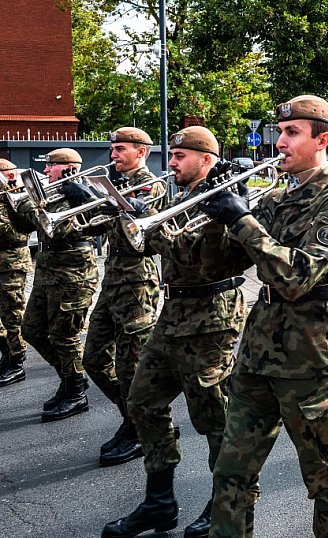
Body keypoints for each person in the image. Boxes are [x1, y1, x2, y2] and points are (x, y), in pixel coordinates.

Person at [196, 95, 328, 538]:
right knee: (230, 471)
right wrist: (219, 215)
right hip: (257, 354)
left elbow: (295, 278)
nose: (279, 142)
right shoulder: (274, 199)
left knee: (324, 479)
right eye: (279, 132)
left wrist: (243, 220)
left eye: (292, 133)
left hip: (311, 359)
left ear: (322, 140)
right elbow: (217, 268)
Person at [102, 126, 248, 538]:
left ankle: (222, 504)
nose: (170, 163)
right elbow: (140, 246)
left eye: (179, 156)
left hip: (212, 314)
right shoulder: (177, 194)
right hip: (174, 310)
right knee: (142, 402)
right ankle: (159, 502)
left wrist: (156, 232)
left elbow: (207, 262)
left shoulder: (224, 196)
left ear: (205, 159)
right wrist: (128, 215)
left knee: (213, 419)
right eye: (170, 155)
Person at [80, 127, 165, 467]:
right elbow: (92, 228)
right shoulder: (113, 185)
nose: (113, 155)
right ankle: (131, 418)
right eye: (113, 149)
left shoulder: (151, 185)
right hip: (112, 280)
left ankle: (142, 430)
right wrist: (83, 202)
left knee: (132, 367)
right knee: (94, 359)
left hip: (137, 282)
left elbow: (140, 239)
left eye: (120, 149)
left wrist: (128, 210)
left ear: (140, 152)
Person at [8, 148, 98, 422]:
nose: (46, 171)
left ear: (69, 167)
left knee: (64, 335)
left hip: (73, 272)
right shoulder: (51, 193)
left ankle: (75, 390)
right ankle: (70, 377)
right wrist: (16, 202)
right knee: (32, 329)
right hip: (47, 270)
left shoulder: (83, 193)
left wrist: (29, 203)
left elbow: (56, 228)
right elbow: (23, 227)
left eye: (51, 166)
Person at [0, 159, 32, 387]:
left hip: (12, 261)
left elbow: (16, 232)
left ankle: (17, 360)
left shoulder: (17, 194)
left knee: (13, 312)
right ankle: (6, 354)